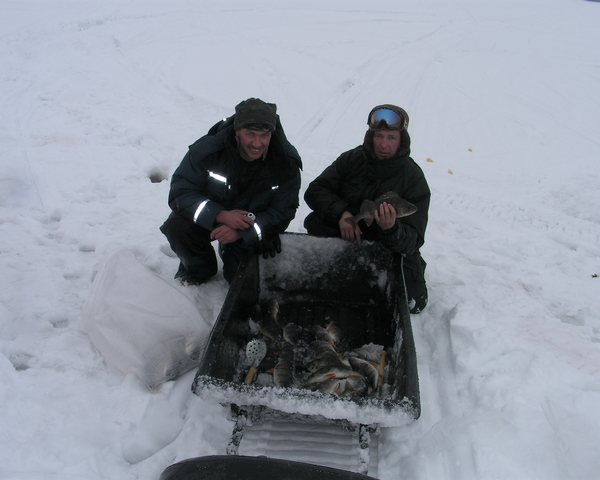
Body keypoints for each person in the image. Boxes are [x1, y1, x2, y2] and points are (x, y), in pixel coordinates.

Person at [160, 98, 302, 285]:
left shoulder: (285, 162)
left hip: (249, 225)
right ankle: (200, 268)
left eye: (264, 135)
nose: (257, 143)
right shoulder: (208, 150)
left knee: (241, 281)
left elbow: (283, 211)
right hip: (211, 216)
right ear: (237, 131)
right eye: (250, 134)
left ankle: (230, 250)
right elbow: (181, 192)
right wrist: (220, 215)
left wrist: (242, 233)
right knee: (177, 226)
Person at [303, 104, 430, 313]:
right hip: (351, 234)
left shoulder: (414, 178)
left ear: (401, 140)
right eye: (378, 136)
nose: (383, 144)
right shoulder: (352, 159)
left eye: (391, 137)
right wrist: (342, 213)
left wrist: (391, 228)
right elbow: (316, 190)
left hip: (389, 245)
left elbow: (414, 239)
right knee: (316, 222)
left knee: (412, 303)